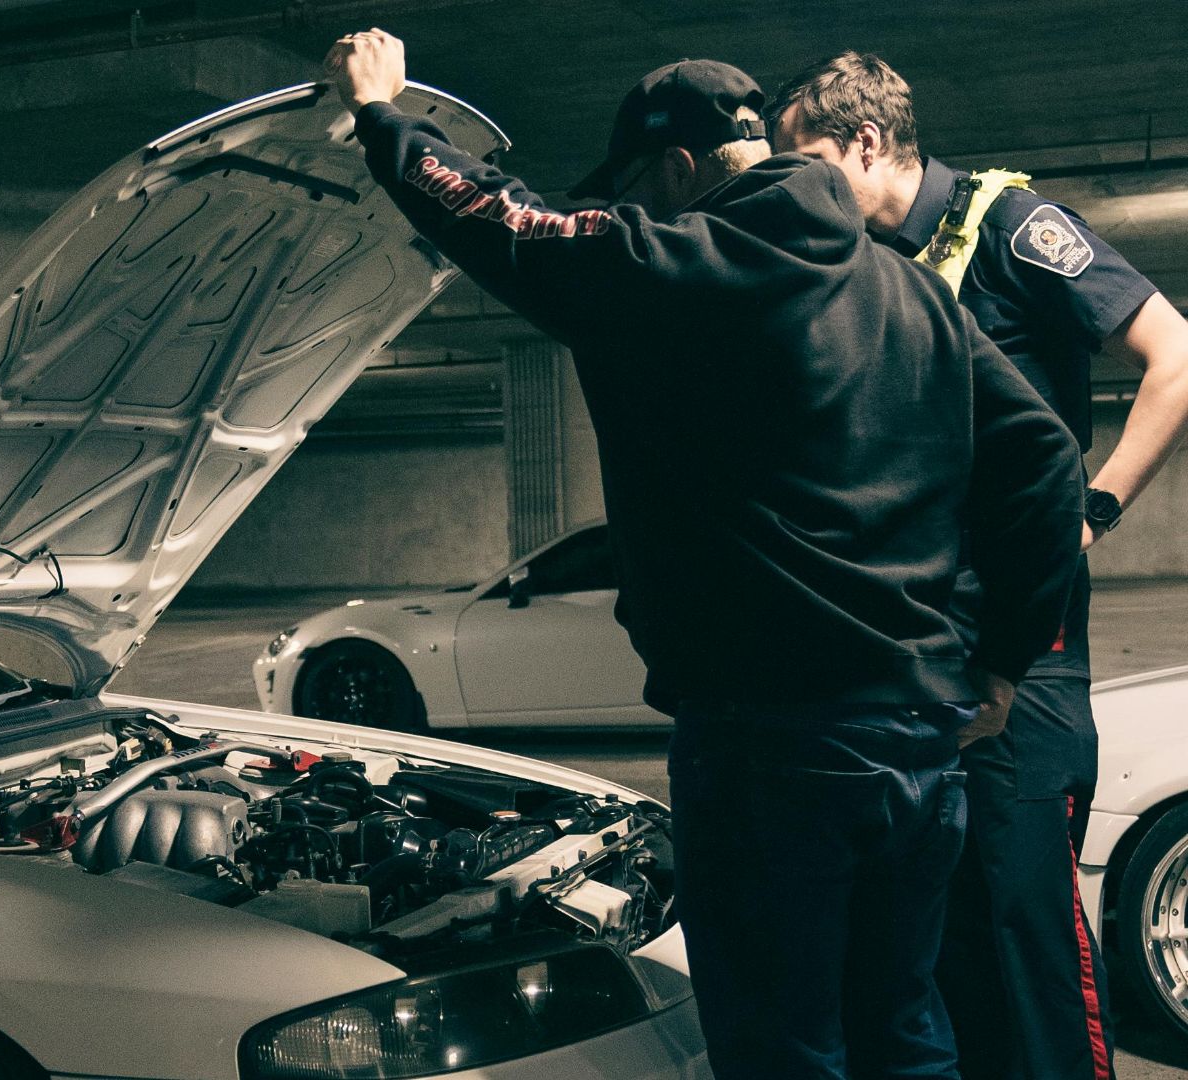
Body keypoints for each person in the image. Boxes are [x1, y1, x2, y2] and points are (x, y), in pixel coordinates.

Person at [323, 31, 1083, 1079]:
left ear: (677, 171)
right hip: (921, 743)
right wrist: (1001, 658)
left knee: (784, 1050)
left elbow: (501, 219)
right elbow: (1045, 461)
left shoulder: (670, 261)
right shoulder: (914, 296)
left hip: (772, 751)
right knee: (904, 1030)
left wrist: (382, 114)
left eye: (636, 185)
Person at [772, 52, 1188, 1080]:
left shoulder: (1009, 228)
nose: (799, 188)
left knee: (1025, 938)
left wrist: (1091, 510)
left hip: (1025, 653)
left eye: (809, 161)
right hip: (924, 653)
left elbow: (1176, 356)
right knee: (938, 944)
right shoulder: (860, 265)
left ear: (868, 144)